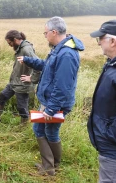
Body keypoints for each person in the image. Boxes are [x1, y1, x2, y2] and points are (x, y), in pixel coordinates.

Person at [17, 16, 84, 175]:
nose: (45, 35)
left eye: (45, 33)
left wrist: (51, 108)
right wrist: (27, 60)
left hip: (55, 103)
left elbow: (63, 86)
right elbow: (47, 66)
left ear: (54, 32)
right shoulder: (58, 49)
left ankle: (51, 168)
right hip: (49, 101)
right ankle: (50, 166)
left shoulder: (66, 54)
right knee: (40, 129)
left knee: (49, 132)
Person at [88, 19, 116, 183]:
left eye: (101, 38)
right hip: (113, 144)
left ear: (113, 41)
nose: (99, 42)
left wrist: (112, 137)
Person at [0, 30, 40, 124]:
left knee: (22, 107)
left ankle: (24, 126)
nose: (9, 45)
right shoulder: (20, 49)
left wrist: (32, 78)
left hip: (22, 84)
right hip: (14, 82)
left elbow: (38, 65)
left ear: (15, 39)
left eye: (10, 42)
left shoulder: (26, 49)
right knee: (3, 96)